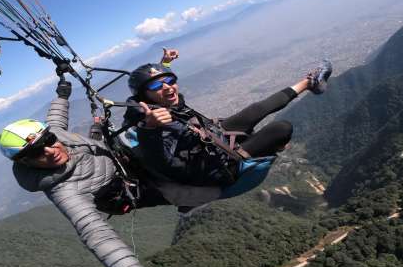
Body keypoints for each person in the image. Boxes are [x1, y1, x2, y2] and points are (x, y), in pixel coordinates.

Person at [0, 74, 174, 267]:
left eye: (48, 140)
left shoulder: (56, 135)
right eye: (36, 153)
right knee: (188, 189)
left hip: (120, 158)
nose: (50, 150)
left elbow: (56, 118)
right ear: (24, 162)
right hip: (131, 189)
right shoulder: (65, 191)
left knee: (150, 121)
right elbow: (96, 234)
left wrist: (62, 93)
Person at [122, 49, 331, 191]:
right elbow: (162, 162)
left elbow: (156, 86)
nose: (167, 87)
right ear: (144, 96)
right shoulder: (153, 121)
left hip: (208, 140)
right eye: (157, 86)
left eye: (169, 80)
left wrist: (164, 65)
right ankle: (260, 147)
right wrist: (151, 129)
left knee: (255, 109)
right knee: (281, 129)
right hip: (216, 167)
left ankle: (310, 82)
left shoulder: (157, 103)